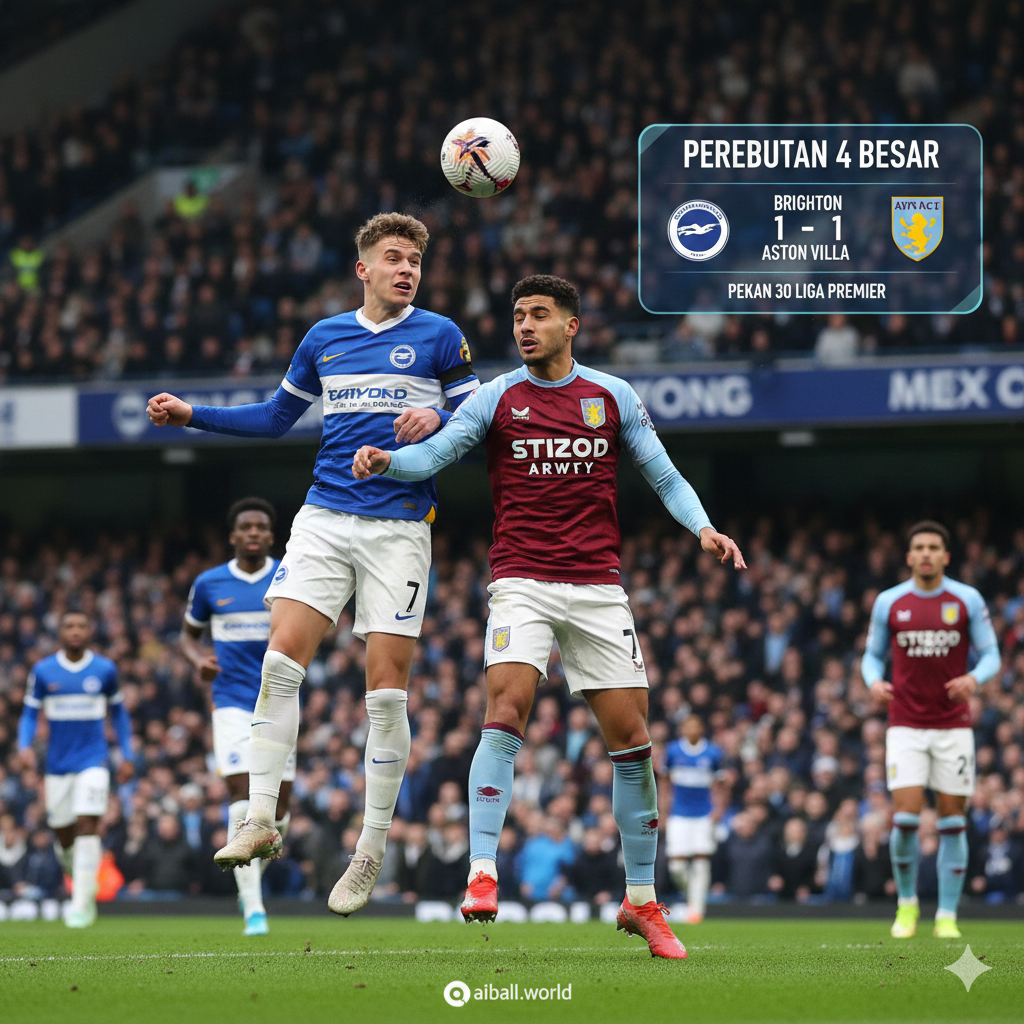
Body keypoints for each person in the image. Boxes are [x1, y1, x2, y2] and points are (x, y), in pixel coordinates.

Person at [353, 274, 745, 959]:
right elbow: (436, 454)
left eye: (539, 314)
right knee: (506, 708)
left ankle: (643, 900)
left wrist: (703, 529)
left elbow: (664, 474)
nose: (525, 325)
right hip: (522, 582)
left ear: (572, 325)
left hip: (598, 587)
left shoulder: (612, 396)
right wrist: (391, 461)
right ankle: (481, 874)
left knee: (634, 741)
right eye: (518, 316)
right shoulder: (496, 397)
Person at [147, 212, 479, 916]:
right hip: (325, 517)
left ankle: (370, 848)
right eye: (394, 256)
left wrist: (440, 423)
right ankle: (261, 817)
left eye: (415, 258)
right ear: (363, 268)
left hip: (399, 529)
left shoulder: (441, 336)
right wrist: (192, 416)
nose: (407, 268)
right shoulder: (323, 338)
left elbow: (479, 421)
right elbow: (274, 418)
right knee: (279, 661)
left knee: (385, 694)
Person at [862, 520, 1001, 939]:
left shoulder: (965, 599)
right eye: (919, 547)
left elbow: (992, 654)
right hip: (905, 724)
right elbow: (871, 656)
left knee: (952, 821)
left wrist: (974, 679)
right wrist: (873, 682)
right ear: (908, 557)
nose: (925, 553)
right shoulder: (890, 602)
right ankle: (907, 907)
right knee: (904, 818)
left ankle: (946, 915)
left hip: (953, 726)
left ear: (945, 555)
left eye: (933, 547)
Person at [180, 496, 293, 935]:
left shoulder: (290, 575)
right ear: (233, 536)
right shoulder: (209, 584)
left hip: (280, 701)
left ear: (270, 534)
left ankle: (252, 888)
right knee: (243, 796)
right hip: (229, 702)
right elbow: (187, 636)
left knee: (279, 812)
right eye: (245, 526)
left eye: (260, 527)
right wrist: (197, 661)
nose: (253, 533)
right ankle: (254, 908)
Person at [15, 611, 134, 927]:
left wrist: (127, 754)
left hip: (93, 761)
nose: (76, 630)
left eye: (82, 625)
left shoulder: (104, 669)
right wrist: (24, 746)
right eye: (69, 625)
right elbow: (29, 715)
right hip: (57, 766)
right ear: (60, 632)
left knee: (88, 822)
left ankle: (81, 905)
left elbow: (120, 715)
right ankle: (79, 875)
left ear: (90, 630)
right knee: (63, 834)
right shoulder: (44, 671)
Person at [661, 715, 723, 923]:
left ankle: (697, 910)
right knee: (677, 866)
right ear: (683, 729)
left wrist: (718, 808)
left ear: (702, 728)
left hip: (703, 814)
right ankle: (693, 899)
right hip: (679, 814)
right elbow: (665, 781)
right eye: (688, 726)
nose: (692, 729)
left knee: (701, 860)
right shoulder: (673, 751)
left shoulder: (713, 752)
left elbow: (720, 783)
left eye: (696, 726)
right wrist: (663, 808)